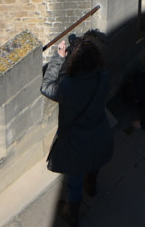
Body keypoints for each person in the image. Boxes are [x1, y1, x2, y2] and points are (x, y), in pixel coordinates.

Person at [41, 33, 115, 225]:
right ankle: (91, 186)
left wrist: (58, 58)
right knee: (94, 161)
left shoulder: (67, 86)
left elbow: (46, 87)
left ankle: (72, 213)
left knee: (74, 180)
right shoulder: (103, 78)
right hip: (100, 134)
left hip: (76, 144)